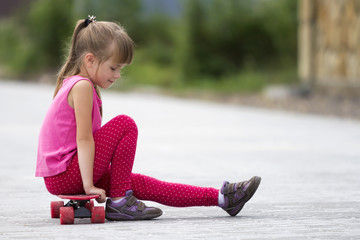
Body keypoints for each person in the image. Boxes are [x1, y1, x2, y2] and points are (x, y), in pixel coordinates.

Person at [36, 15, 261, 221]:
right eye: (113, 67)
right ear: (90, 60)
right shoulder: (82, 86)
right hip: (67, 174)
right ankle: (121, 202)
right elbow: (84, 140)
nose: (117, 75)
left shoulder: (79, 84)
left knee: (139, 184)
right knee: (125, 124)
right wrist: (88, 185)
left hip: (66, 174)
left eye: (120, 69)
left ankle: (223, 199)